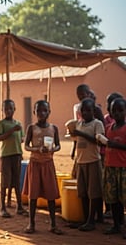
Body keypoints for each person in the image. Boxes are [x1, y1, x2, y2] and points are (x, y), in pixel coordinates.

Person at [22, 100, 63, 235]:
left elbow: (58, 145)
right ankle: (31, 223)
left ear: (49, 112)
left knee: (51, 195)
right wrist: (37, 149)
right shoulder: (31, 128)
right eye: (38, 111)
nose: (41, 113)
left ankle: (52, 224)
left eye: (44, 110)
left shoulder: (53, 128)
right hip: (34, 163)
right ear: (34, 112)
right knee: (33, 196)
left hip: (48, 164)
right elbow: (26, 146)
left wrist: (51, 149)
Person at [70, 98, 105, 232]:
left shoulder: (97, 124)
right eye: (83, 110)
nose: (85, 113)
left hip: (93, 161)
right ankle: (85, 219)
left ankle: (92, 220)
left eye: (88, 110)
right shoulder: (79, 124)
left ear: (93, 111)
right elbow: (76, 140)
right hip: (81, 162)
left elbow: (98, 141)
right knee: (83, 192)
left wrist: (80, 134)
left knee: (94, 192)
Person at [0, 99, 28, 218]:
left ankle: (19, 206)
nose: (8, 111)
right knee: (5, 181)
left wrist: (21, 138)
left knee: (16, 181)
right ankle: (2, 208)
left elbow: (21, 139)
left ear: (14, 109)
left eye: (10, 108)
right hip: (6, 156)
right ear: (3, 110)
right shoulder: (2, 123)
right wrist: (11, 131)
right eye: (6, 109)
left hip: (17, 155)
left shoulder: (18, 124)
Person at [102, 97, 126, 238]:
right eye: (114, 111)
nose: (117, 113)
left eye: (120, 110)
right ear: (110, 113)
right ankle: (117, 225)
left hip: (123, 168)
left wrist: (114, 145)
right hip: (110, 167)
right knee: (114, 199)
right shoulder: (108, 128)